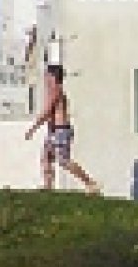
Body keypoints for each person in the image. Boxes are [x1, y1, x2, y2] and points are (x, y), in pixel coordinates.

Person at [23, 61, 100, 192]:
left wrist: (33, 129)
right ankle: (48, 187)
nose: (46, 79)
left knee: (64, 161)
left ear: (53, 76)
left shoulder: (56, 91)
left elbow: (47, 111)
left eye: (48, 76)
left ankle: (90, 183)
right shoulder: (53, 91)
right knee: (46, 156)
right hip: (54, 131)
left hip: (61, 131)